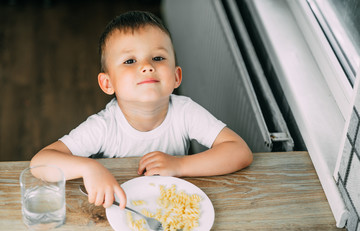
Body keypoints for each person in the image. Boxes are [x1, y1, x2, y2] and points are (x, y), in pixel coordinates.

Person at [30, 11, 253, 210]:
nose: (147, 66)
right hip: (120, 208)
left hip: (171, 207)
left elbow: (240, 152)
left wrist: (179, 165)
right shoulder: (105, 126)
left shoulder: (185, 111)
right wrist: (89, 168)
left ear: (176, 77)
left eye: (158, 58)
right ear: (108, 84)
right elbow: (40, 163)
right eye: (130, 61)